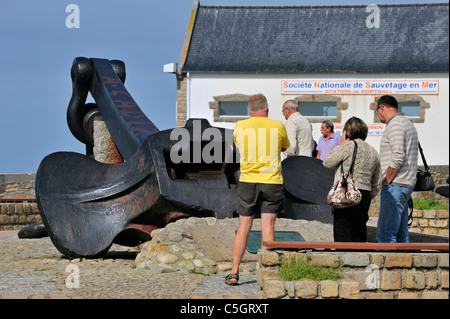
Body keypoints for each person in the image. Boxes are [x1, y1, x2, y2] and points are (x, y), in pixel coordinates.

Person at [226, 94, 290, 285]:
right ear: (267, 108)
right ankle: (266, 274)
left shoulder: (240, 126)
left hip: (248, 181)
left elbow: (238, 144)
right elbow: (285, 146)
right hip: (272, 181)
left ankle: (234, 272)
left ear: (249, 110)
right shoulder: (278, 126)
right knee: (268, 228)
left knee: (243, 228)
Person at [323, 117, 382, 242]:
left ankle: (346, 260)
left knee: (343, 231)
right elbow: (377, 181)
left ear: (347, 132)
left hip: (346, 193)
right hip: (364, 195)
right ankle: (360, 259)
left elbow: (327, 162)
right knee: (359, 231)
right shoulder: (373, 151)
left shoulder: (348, 146)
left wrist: (340, 144)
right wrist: (368, 194)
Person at [375, 95, 418, 243]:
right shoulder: (407, 123)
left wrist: (387, 179)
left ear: (381, 108)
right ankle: (404, 265)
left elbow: (398, 155)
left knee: (386, 233)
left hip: (396, 184)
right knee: (400, 234)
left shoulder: (395, 124)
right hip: (405, 183)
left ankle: (387, 265)